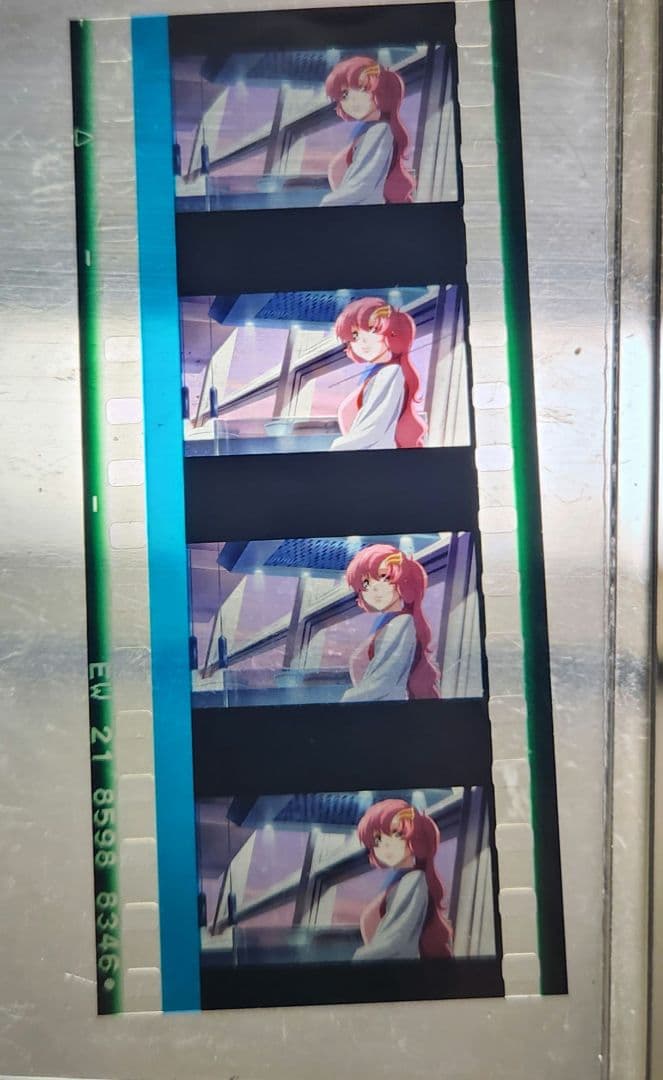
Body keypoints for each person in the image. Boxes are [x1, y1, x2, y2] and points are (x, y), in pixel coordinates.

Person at [353, 799, 453, 962]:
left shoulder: (413, 880)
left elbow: (395, 942)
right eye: (378, 840)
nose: (386, 846)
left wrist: (359, 960)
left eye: (397, 834)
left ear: (414, 837)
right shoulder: (401, 880)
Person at [341, 545, 440, 702]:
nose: (374, 588)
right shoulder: (387, 621)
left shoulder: (402, 621)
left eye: (384, 577)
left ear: (402, 580)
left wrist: (347, 699)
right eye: (366, 584)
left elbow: (382, 681)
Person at [330, 297, 426, 451]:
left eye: (372, 329)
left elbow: (372, 431)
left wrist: (336, 448)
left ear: (392, 332)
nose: (362, 341)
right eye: (355, 336)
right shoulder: (378, 372)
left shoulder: (391, 372)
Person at [321, 56, 415, 207]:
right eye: (344, 95)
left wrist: (325, 204)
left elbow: (361, 186)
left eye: (363, 88)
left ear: (379, 89)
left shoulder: (380, 130)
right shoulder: (370, 130)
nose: (353, 100)